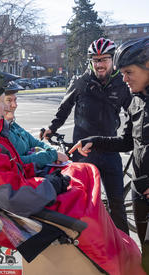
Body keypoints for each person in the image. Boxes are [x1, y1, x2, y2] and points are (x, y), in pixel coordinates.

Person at [0, 64, 145, 275]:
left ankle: (121, 255)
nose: (7, 104)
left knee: (83, 173)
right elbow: (14, 198)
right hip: (24, 212)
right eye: (1, 98)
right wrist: (54, 183)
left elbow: (11, 171)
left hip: (23, 201)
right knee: (86, 195)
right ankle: (115, 264)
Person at [69, 36, 149, 273]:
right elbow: (126, 141)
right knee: (146, 253)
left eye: (129, 72)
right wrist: (94, 141)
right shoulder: (136, 100)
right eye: (122, 72)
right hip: (139, 188)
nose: (123, 79)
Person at [41, 37, 132, 234]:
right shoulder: (81, 82)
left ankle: (124, 252)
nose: (99, 64)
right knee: (83, 207)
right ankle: (88, 251)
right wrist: (51, 128)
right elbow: (64, 108)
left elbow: (134, 113)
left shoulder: (122, 84)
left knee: (117, 206)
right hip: (83, 153)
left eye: (104, 59)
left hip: (110, 151)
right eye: (95, 60)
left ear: (113, 60)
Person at [4, 81, 68, 175]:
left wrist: (53, 152)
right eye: (9, 100)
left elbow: (35, 142)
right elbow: (15, 161)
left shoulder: (13, 125)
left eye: (15, 100)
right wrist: (52, 156)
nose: (15, 105)